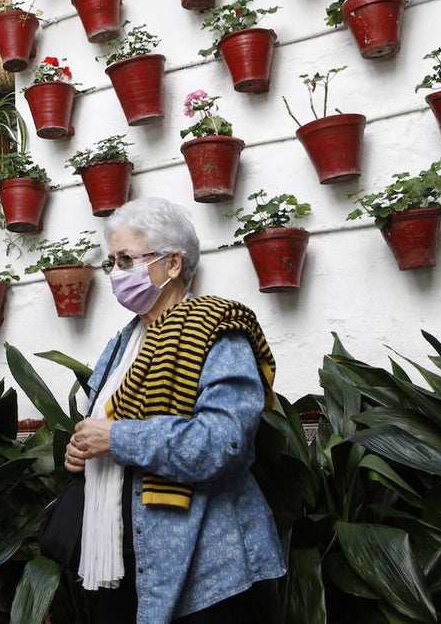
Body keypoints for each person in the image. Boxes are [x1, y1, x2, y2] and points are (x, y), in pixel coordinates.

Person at [64, 197, 286, 624]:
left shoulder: (217, 333)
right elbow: (102, 428)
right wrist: (80, 452)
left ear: (172, 264)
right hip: (123, 564)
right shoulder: (121, 346)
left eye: (126, 259)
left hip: (209, 571)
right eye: (111, 262)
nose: (116, 274)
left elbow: (223, 443)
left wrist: (116, 438)